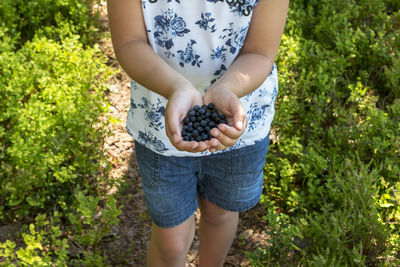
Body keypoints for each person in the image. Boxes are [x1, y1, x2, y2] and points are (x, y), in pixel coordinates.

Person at [107, 0, 289, 266]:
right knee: (171, 239)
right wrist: (176, 88)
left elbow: (260, 51)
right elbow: (128, 42)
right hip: (160, 128)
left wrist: (228, 89)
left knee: (220, 214)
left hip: (236, 127)